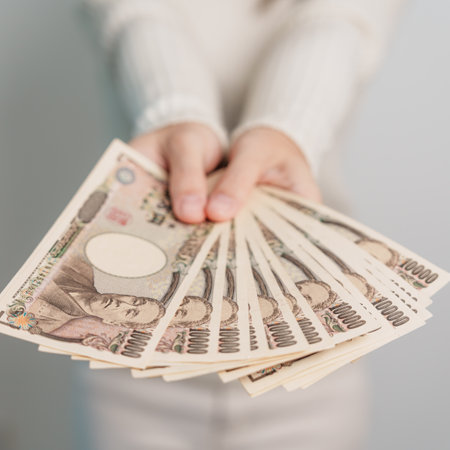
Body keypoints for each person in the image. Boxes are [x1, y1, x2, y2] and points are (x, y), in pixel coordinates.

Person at [79, 1, 405, 449]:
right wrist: (175, 117)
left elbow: (337, 25)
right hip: (132, 357)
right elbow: (140, 19)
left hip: (306, 357)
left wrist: (285, 132)